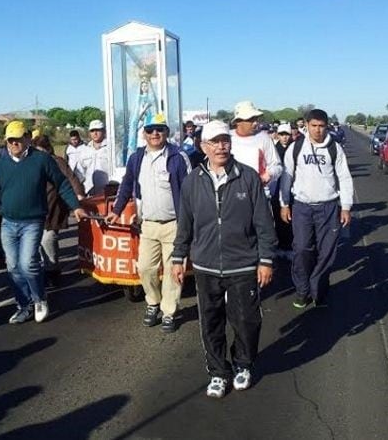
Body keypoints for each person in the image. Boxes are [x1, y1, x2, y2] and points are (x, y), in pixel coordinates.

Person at [170, 120, 276, 399]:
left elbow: (264, 223)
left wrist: (266, 259)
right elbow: (185, 223)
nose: (221, 146)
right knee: (211, 322)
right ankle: (218, 372)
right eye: (214, 141)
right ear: (203, 146)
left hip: (242, 263)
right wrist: (178, 256)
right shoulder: (193, 180)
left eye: (224, 140)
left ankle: (243, 363)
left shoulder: (248, 177)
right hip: (205, 265)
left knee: (246, 320)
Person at [0, 121, 87, 325]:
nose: (14, 144)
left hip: (33, 221)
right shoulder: (1, 165)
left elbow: (62, 183)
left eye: (18, 139)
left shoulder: (41, 160)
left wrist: (75, 206)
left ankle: (39, 299)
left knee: (28, 264)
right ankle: (24, 305)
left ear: (27, 138)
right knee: (12, 267)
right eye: (10, 141)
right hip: (9, 223)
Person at [105, 113, 191, 333]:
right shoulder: (136, 158)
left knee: (173, 270)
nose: (155, 134)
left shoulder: (178, 157)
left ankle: (169, 311)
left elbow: (189, 191)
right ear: (144, 134)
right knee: (145, 268)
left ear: (166, 133)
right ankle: (153, 302)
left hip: (174, 224)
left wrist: (189, 222)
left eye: (160, 129)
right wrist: (116, 211)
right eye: (151, 130)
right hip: (148, 224)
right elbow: (126, 185)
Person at [279, 109, 354, 309]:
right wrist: (284, 204)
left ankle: (319, 290)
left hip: (328, 207)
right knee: (302, 249)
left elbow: (345, 178)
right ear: (306, 125)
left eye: (322, 126)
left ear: (326, 126)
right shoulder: (296, 148)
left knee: (326, 252)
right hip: (302, 207)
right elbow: (286, 178)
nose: (318, 130)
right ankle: (303, 291)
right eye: (314, 126)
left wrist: (345, 207)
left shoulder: (335, 149)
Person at [32, 135, 85, 287]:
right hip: (36, 210)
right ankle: (42, 270)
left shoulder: (57, 162)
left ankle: (52, 271)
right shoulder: (31, 163)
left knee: (48, 240)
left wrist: (79, 197)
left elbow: (71, 178)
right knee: (36, 243)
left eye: (41, 151)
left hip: (53, 208)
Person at [229, 100, 282, 199]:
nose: (255, 123)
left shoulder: (264, 138)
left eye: (256, 119)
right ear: (238, 122)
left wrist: (269, 174)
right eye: (251, 120)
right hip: (232, 196)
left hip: (259, 195)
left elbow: (277, 166)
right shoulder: (227, 138)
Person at [270, 124, 294, 258]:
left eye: (287, 134)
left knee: (291, 218)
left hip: (292, 189)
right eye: (282, 134)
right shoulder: (273, 149)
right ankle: (279, 246)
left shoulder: (295, 148)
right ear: (278, 135)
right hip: (276, 188)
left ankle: (289, 246)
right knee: (278, 218)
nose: (284, 137)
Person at [74, 119, 111, 196]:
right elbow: (79, 174)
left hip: (108, 194)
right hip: (89, 194)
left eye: (98, 130)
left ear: (104, 131)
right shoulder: (84, 150)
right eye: (92, 131)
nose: (95, 133)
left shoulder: (111, 149)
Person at [128, 76, 158, 154]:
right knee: (141, 143)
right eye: (143, 86)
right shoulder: (139, 98)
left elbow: (154, 112)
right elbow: (137, 114)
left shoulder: (151, 98)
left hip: (149, 123)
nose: (144, 87)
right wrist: (144, 109)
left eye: (146, 85)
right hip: (141, 124)